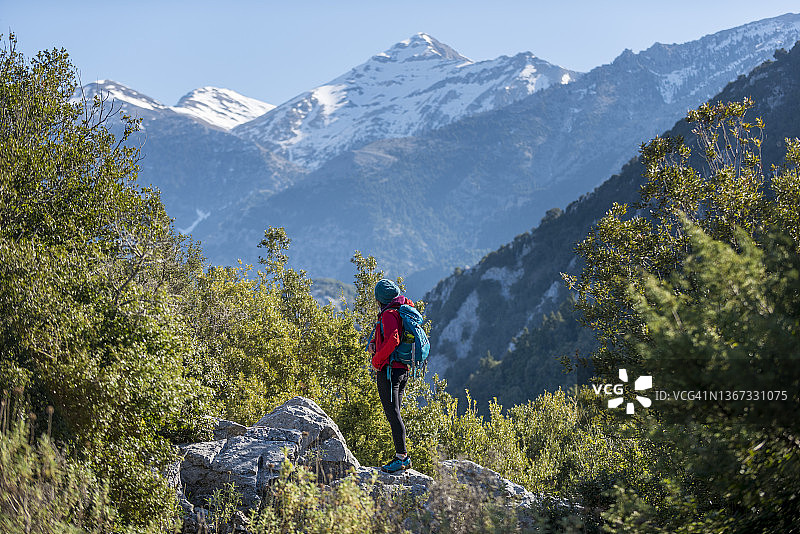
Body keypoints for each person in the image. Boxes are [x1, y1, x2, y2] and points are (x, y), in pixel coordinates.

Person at [368, 278, 413, 473]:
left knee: (392, 413)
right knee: (395, 413)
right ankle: (401, 456)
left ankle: (402, 458)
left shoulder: (388, 314)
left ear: (380, 300)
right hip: (402, 369)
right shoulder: (400, 310)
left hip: (389, 371)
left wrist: (376, 360)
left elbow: (393, 339)